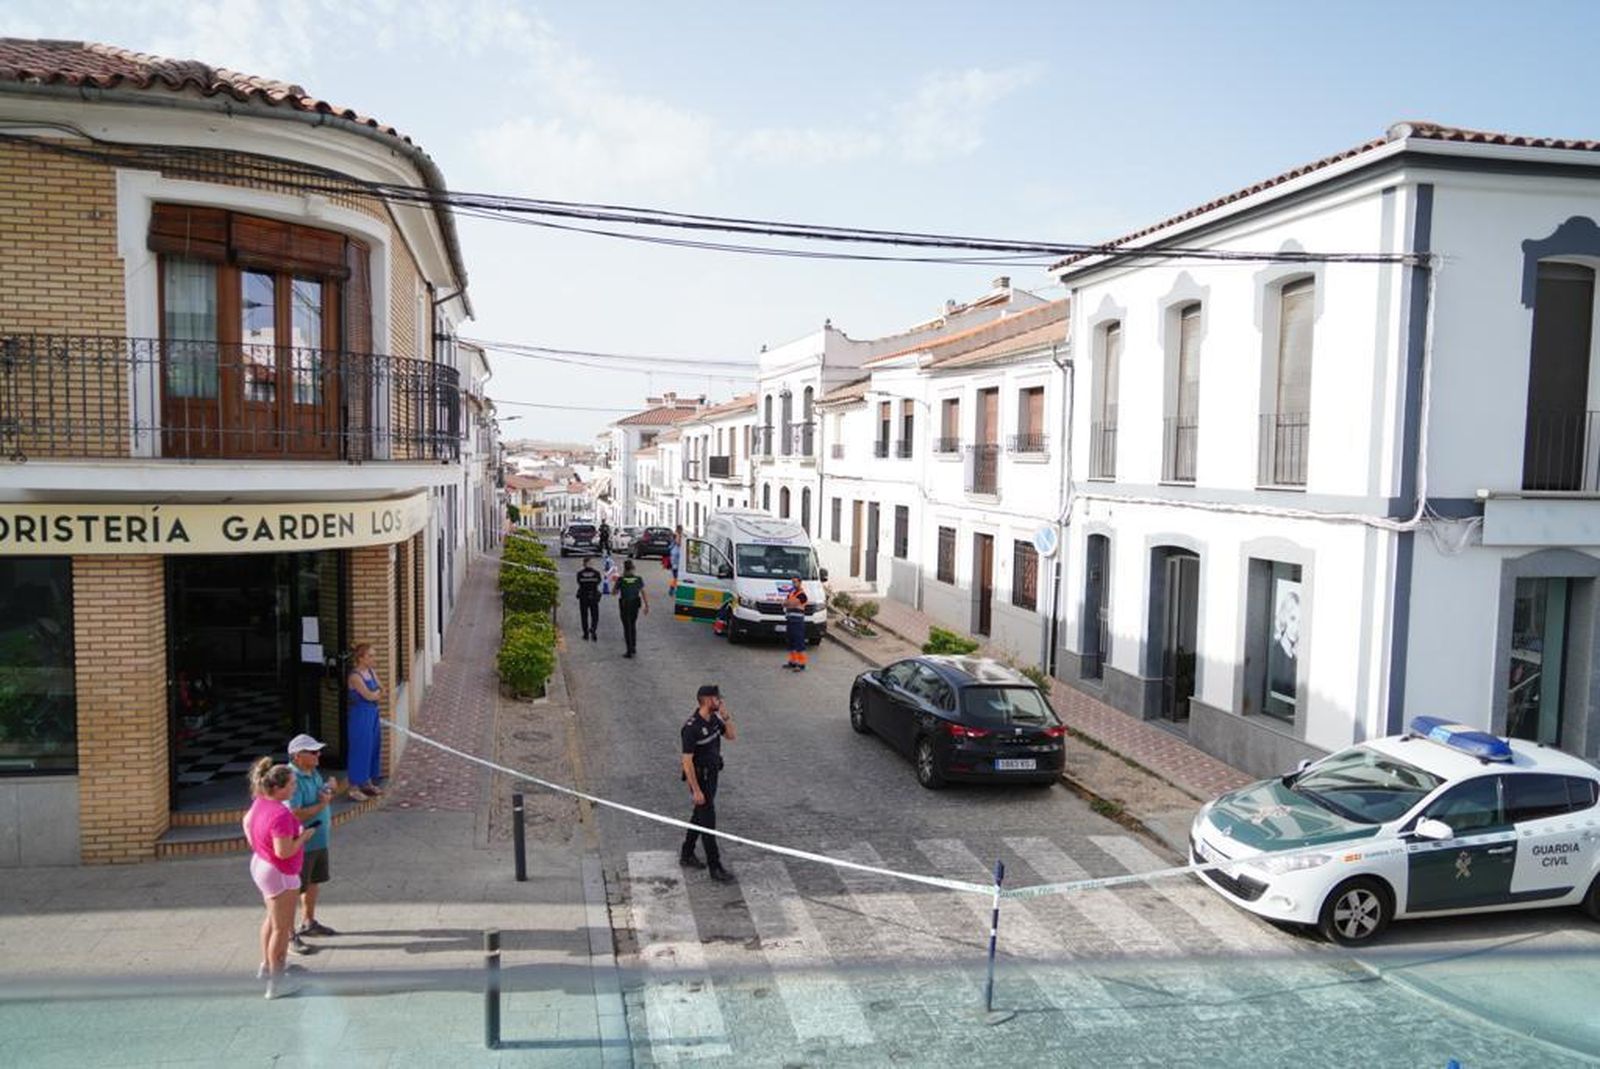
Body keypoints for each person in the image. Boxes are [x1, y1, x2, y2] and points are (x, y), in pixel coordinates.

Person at [244, 757, 319, 999]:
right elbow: (284, 851)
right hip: (280, 872)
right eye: (291, 785)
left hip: (261, 865)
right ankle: (276, 982)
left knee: (271, 919)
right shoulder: (281, 815)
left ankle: (267, 966)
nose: (294, 788)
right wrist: (304, 837)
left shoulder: (259, 804)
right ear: (277, 788)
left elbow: (248, 827)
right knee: (281, 928)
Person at [287, 734, 340, 955]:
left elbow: (321, 798)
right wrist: (322, 804)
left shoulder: (313, 772)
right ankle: (289, 935)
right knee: (291, 891)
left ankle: (308, 922)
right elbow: (294, 814)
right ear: (298, 756)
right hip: (301, 844)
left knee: (313, 881)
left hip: (318, 840)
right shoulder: (292, 779)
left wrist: (329, 790)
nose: (319, 755)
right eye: (313, 752)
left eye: (318, 751)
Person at [680, 684, 735, 883]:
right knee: (708, 824)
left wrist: (726, 717)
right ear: (707, 700)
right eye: (717, 698)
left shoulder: (714, 720)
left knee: (699, 816)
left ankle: (686, 854)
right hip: (700, 778)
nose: (720, 701)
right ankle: (715, 867)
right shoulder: (691, 728)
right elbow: (686, 762)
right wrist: (695, 790)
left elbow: (730, 736)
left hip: (712, 775)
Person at [346, 643, 384, 801]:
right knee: (360, 748)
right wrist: (375, 694)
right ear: (361, 658)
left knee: (373, 746)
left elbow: (382, 690)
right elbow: (369, 696)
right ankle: (354, 786)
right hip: (360, 715)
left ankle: (366, 782)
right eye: (370, 656)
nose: (374, 659)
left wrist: (376, 694)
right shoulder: (355, 676)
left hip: (373, 713)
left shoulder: (371, 672)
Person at [616, 558, 649, 658]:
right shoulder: (638, 579)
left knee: (627, 627)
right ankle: (633, 647)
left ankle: (629, 650)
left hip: (625, 604)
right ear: (633, 568)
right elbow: (643, 592)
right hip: (635, 604)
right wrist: (647, 605)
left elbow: (614, 592)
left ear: (624, 569)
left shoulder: (621, 579)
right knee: (633, 624)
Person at [782, 575, 809, 671]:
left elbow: (792, 603)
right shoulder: (792, 593)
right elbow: (784, 603)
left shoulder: (802, 595)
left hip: (798, 622)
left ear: (800, 582)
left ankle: (801, 664)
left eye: (795, 582)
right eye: (792, 582)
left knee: (799, 643)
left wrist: (788, 603)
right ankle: (793, 662)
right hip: (790, 620)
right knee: (791, 642)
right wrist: (789, 603)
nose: (793, 584)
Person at [575, 556, 603, 641]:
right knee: (595, 615)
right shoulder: (596, 573)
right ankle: (593, 629)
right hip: (593, 595)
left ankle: (586, 633)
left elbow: (579, 583)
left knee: (584, 615)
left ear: (583, 564)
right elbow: (598, 582)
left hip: (583, 596)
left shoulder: (580, 574)